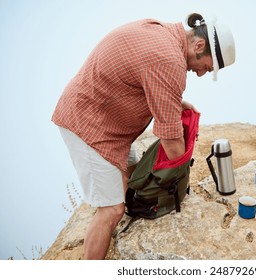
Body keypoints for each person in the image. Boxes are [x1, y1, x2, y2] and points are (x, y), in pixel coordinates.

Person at [52, 13, 235, 260]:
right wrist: (179, 176)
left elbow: (143, 75)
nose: (201, 73)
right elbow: (172, 144)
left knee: (134, 178)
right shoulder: (169, 60)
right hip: (89, 126)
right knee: (112, 210)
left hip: (107, 120)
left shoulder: (162, 32)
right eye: (206, 67)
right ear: (199, 46)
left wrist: (174, 102)